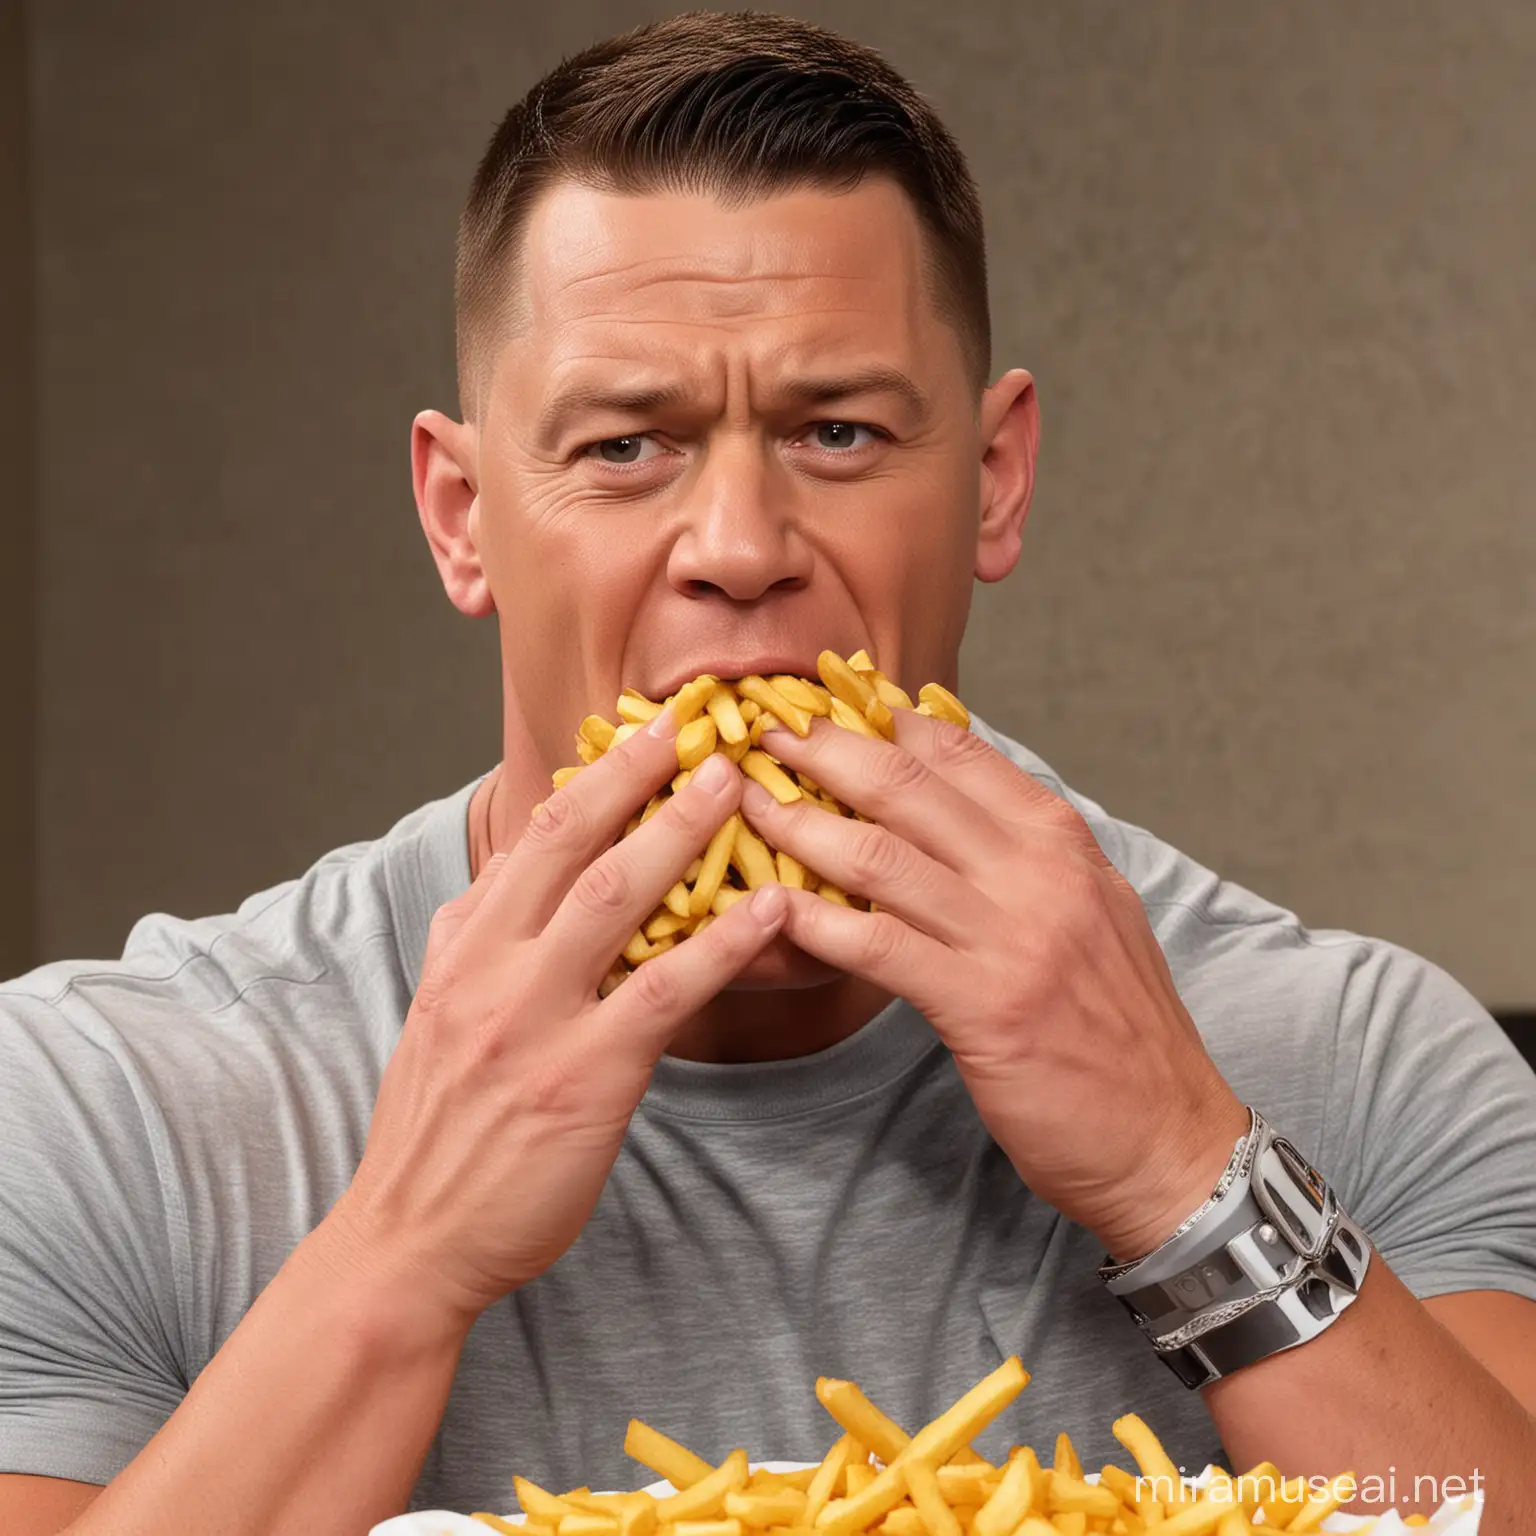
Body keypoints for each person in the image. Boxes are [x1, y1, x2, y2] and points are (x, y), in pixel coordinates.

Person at [3, 12, 1535, 1534]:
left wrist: (1182, 1170)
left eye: (841, 431)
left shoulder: (1353, 1060)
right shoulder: (110, 1110)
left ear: (994, 481)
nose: (739, 551)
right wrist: (408, 1247)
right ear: (462, 515)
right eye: (624, 448)